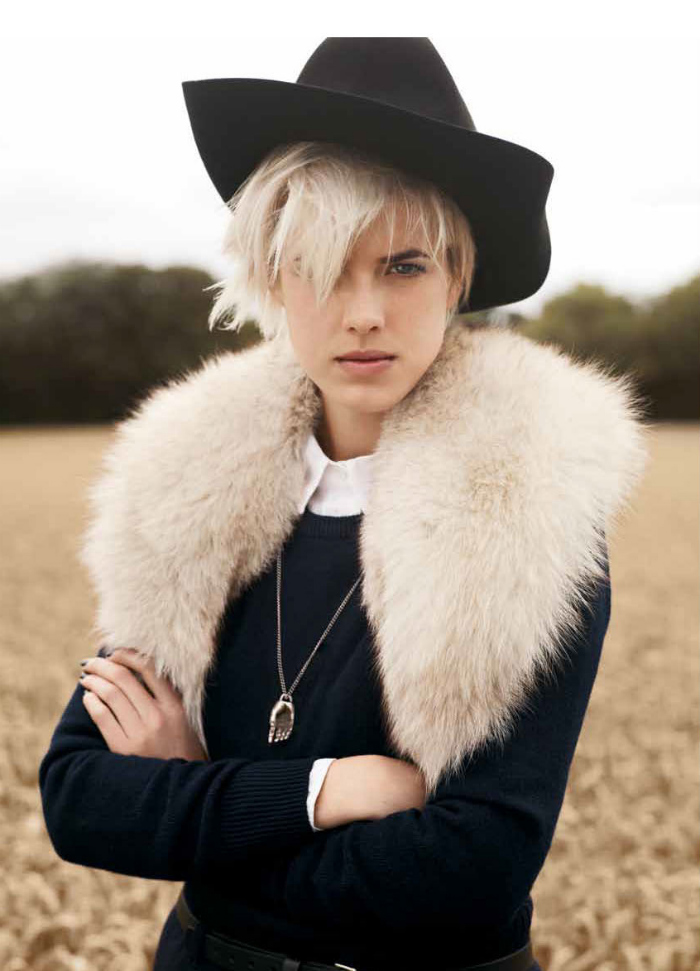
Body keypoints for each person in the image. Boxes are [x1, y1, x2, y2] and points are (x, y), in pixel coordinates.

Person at [37, 38, 650, 971]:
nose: (362, 311)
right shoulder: (188, 491)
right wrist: (320, 790)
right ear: (273, 280)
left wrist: (199, 799)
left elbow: (471, 870)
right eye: (322, 266)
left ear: (458, 278)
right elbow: (80, 797)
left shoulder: (528, 512)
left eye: (403, 266)